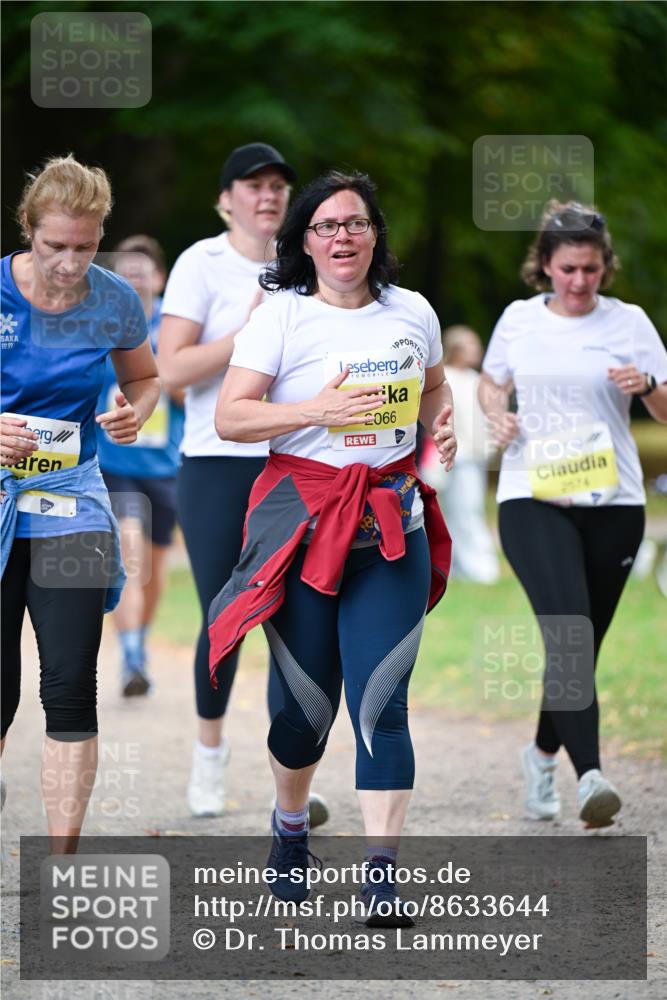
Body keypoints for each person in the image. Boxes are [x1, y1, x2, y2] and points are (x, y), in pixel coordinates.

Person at [208, 170, 455, 925]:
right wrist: (315, 410)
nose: (342, 236)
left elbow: (434, 389)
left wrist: (440, 429)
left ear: (374, 234)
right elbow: (230, 417)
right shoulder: (282, 317)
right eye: (326, 226)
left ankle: (381, 876)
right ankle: (290, 826)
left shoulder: (412, 312)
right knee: (306, 711)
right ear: (306, 241)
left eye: (355, 223)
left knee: (381, 702)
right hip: (303, 524)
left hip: (390, 524)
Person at [478, 200, 667, 829]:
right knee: (570, 636)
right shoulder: (519, 319)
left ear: (605, 266)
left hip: (615, 503)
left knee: (579, 647)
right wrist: (498, 415)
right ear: (545, 266)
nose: (579, 281)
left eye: (590, 269)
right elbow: (491, 382)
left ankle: (539, 758)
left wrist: (647, 387)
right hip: (531, 496)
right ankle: (591, 776)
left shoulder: (630, 323)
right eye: (568, 269)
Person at [0, 155, 159, 852]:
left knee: (69, 684)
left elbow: (145, 379)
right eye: (55, 246)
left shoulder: (114, 299)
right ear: (27, 228)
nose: (69, 264)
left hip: (71, 500)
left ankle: (61, 863)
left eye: (85, 247)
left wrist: (133, 414)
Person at [158, 142, 315, 818]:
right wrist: (248, 332)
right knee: (225, 612)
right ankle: (208, 757)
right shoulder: (202, 262)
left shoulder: (305, 261)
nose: (269, 195)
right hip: (216, 460)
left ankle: (292, 776)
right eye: (254, 185)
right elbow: (170, 370)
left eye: (278, 185)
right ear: (226, 200)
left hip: (295, 461)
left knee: (295, 618)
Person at [95, 236, 184, 696]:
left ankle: (141, 643)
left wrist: (162, 375)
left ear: (159, 278)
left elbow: (190, 389)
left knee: (155, 564)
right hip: (114, 461)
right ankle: (130, 657)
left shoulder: (176, 325)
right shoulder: (102, 320)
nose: (133, 281)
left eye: (141, 273)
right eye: (125, 274)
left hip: (165, 465)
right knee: (127, 553)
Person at [420, 325, 500, 583]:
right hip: (447, 456)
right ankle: (453, 566)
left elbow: (486, 422)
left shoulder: (476, 380)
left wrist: (487, 448)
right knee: (447, 513)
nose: (477, 350)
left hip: (471, 458)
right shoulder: (444, 379)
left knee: (469, 510)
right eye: (470, 345)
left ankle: (481, 567)